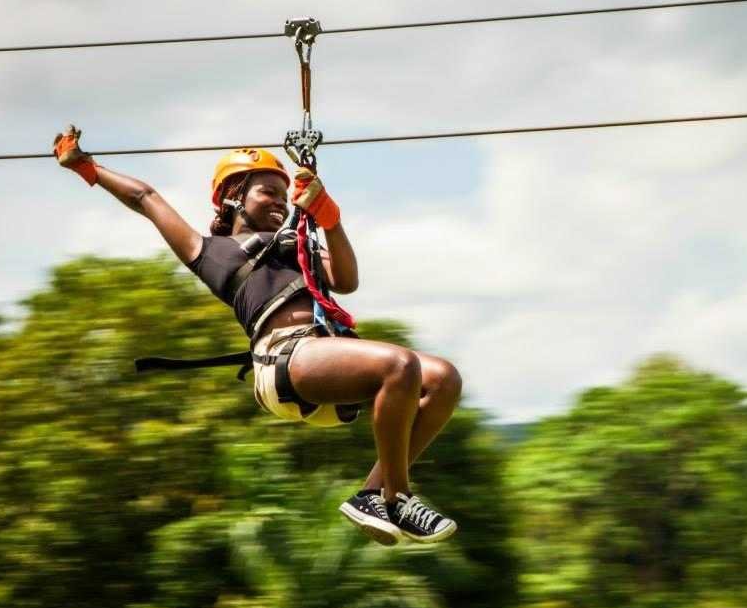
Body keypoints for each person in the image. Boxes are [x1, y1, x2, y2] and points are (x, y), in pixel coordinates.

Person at [53, 126, 462, 546]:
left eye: (284, 199)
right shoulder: (208, 252)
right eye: (268, 193)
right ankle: (398, 496)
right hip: (284, 360)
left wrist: (328, 218)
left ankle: (373, 494)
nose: (279, 204)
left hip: (325, 356)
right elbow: (146, 199)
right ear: (234, 196)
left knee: (443, 378)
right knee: (400, 365)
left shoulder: (298, 245)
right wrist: (86, 167)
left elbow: (347, 279)